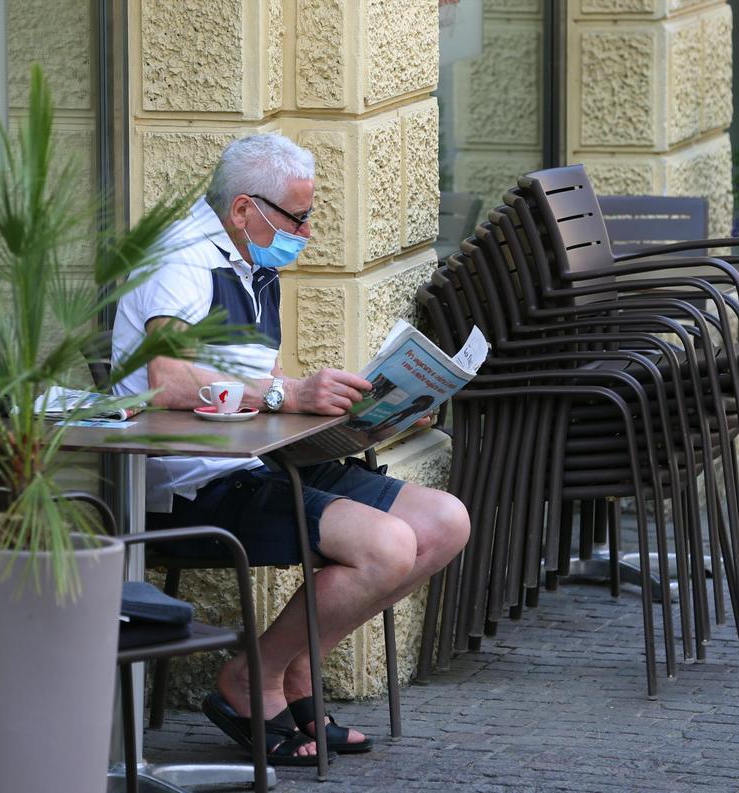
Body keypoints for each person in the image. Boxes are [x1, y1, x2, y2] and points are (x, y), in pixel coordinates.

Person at [112, 133, 470, 765]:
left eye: (310, 215)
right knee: (385, 546)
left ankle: (297, 670)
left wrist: (369, 418)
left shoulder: (254, 263)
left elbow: (253, 394)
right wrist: (288, 394)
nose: (306, 231)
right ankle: (251, 678)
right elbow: (169, 381)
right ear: (245, 209)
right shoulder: (181, 259)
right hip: (191, 484)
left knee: (443, 522)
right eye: (297, 217)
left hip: (252, 462)